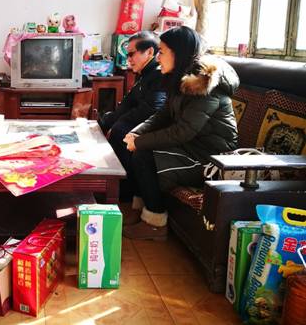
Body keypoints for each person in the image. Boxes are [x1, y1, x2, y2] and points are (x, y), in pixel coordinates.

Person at [122, 26, 239, 240]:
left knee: (143, 155)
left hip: (211, 158)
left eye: (162, 52)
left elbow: (182, 131)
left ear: (179, 52)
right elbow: (163, 115)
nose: (158, 58)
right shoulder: (180, 79)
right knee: (137, 148)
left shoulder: (204, 85)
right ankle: (140, 209)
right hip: (191, 147)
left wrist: (140, 143)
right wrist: (136, 134)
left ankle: (155, 223)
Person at [99, 31, 166, 207]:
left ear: (149, 52)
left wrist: (118, 123)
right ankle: (111, 190)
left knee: (121, 131)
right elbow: (126, 106)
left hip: (149, 131)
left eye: (131, 54)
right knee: (109, 127)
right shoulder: (144, 74)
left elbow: (153, 109)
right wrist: (103, 122)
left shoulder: (158, 75)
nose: (128, 59)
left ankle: (122, 196)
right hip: (136, 127)